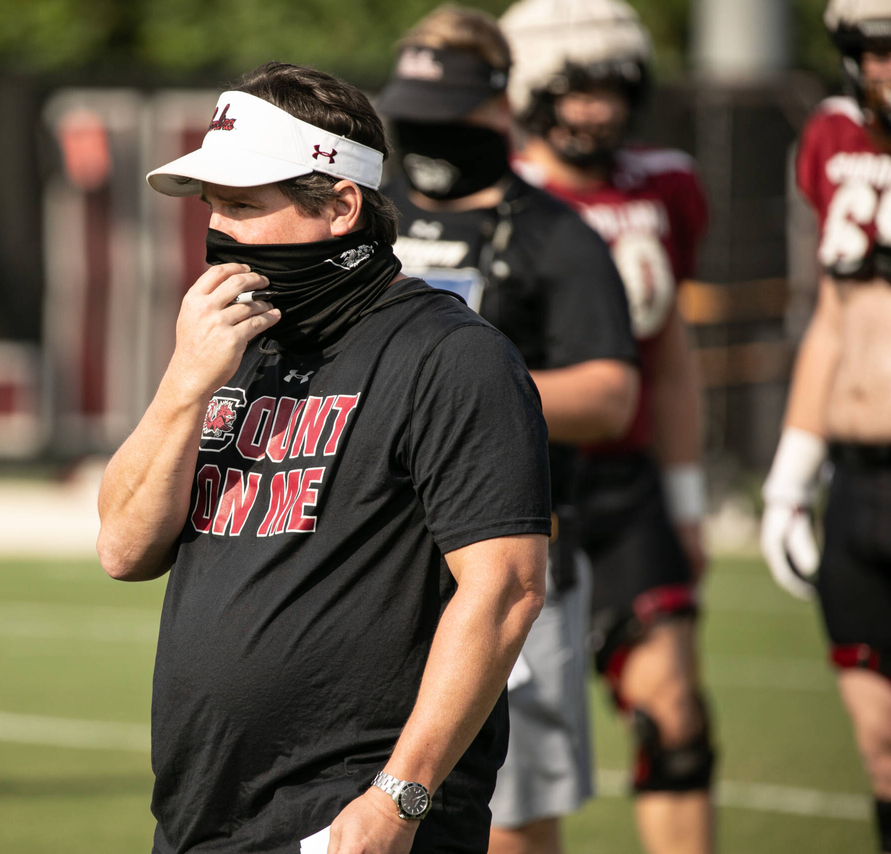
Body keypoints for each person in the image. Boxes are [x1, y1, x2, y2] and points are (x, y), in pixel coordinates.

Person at [97, 61, 555, 854]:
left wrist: (398, 798)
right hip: (204, 820)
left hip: (358, 820)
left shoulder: (451, 356)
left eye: (244, 206)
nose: (219, 233)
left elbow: (507, 587)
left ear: (341, 206)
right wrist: (183, 383)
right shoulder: (233, 344)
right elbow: (122, 550)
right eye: (212, 206)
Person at [376, 7, 640, 853]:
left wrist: (453, 394)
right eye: (413, 112)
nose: (427, 131)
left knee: (511, 821)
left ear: (502, 107)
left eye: (448, 111)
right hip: (375, 563)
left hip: (509, 559)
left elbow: (610, 394)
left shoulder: (555, 232)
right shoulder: (367, 218)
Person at [499, 2, 718, 852]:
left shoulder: (664, 185)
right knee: (514, 762)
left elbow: (670, 357)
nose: (595, 109)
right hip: (520, 486)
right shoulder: (499, 195)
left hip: (626, 483)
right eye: (574, 89)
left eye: (610, 89)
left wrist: (687, 499)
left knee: (675, 716)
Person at [761, 3, 891, 851]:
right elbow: (835, 320)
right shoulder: (835, 137)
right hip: (856, 480)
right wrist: (789, 479)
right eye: (874, 50)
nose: (885, 69)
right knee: (880, 751)